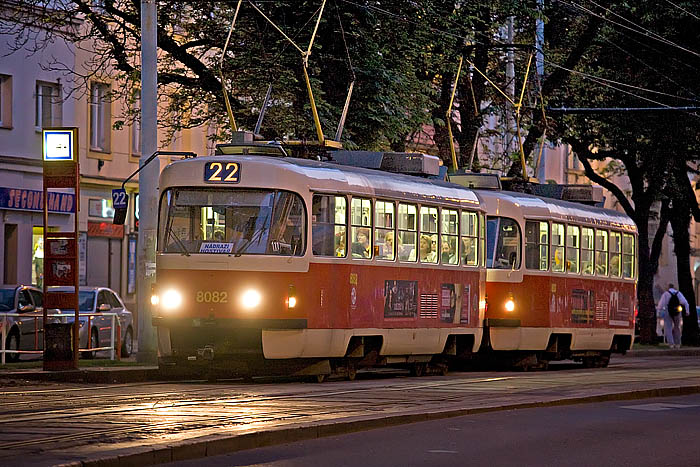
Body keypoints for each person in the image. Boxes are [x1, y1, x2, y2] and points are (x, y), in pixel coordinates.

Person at [656, 283, 690, 349]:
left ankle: (671, 344)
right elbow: (685, 302)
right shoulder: (678, 293)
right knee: (677, 327)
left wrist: (658, 312)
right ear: (674, 287)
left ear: (668, 287)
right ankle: (678, 343)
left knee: (668, 327)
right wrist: (687, 311)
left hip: (668, 311)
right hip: (677, 311)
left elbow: (660, 304)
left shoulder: (666, 294)